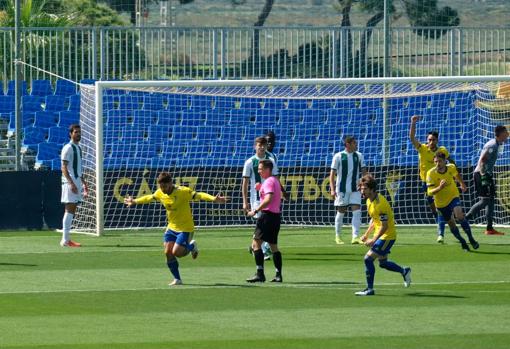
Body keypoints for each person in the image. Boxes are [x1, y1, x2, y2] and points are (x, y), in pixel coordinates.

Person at [124, 172, 228, 286]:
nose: (163, 189)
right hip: (171, 227)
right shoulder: (160, 193)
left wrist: (213, 199)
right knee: (168, 252)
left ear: (170, 183)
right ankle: (177, 279)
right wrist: (134, 201)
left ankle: (192, 246)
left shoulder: (182, 191)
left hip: (185, 228)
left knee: (177, 252)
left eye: (165, 186)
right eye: (161, 187)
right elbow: (150, 197)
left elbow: (199, 195)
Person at [356, 174, 411, 296]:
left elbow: (384, 226)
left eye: (364, 188)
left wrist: (373, 240)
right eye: (360, 188)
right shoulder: (368, 201)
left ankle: (370, 289)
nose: (361, 191)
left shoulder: (381, 203)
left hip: (387, 236)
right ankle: (404, 271)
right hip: (380, 234)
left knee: (368, 259)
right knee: (383, 263)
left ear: (371, 189)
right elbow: (374, 220)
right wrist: (366, 234)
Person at [409, 115, 456, 243]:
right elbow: (412, 138)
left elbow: (450, 162)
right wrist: (413, 123)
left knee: (439, 206)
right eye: (429, 139)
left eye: (433, 140)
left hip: (441, 182)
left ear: (437, 140)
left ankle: (440, 234)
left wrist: (453, 173)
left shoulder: (442, 151)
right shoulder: (422, 149)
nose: (431, 142)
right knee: (434, 209)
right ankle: (443, 222)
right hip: (427, 183)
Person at [426, 152, 479, 251]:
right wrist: (440, 187)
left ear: (445, 161)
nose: (438, 164)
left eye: (440, 161)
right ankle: (463, 242)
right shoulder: (431, 173)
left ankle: (471, 239)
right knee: (451, 224)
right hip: (441, 203)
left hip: (453, 197)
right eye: (436, 162)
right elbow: (430, 192)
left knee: (460, 216)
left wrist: (462, 184)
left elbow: (456, 175)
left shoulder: (451, 167)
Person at [465, 125, 509, 235]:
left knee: (491, 200)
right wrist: (484, 175)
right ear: (501, 134)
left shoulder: (498, 143)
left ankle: (489, 228)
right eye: (506, 132)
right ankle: (464, 219)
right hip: (481, 174)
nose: (507, 134)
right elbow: (482, 161)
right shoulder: (493, 145)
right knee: (485, 200)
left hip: (486, 174)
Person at [246, 159, 283, 283]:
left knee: (255, 244)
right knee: (273, 247)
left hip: (266, 216)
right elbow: (272, 193)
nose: (259, 171)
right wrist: (261, 187)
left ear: (268, 170)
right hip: (275, 217)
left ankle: (260, 273)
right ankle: (278, 275)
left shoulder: (268, 182)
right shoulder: (274, 181)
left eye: (261, 169)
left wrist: (255, 210)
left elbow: (268, 199)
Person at [242, 136, 279, 260]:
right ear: (255, 146)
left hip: (270, 196)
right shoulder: (250, 162)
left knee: (266, 223)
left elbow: (276, 179)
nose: (262, 147)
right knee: (262, 222)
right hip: (256, 198)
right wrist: (245, 201)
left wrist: (281, 193)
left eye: (264, 145)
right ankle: (261, 249)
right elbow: (245, 183)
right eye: (259, 145)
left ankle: (257, 247)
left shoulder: (271, 160)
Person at [329, 135, 366, 245]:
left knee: (357, 212)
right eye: (354, 143)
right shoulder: (338, 156)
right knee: (341, 213)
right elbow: (332, 175)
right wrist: (332, 189)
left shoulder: (359, 156)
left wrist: (365, 184)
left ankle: (355, 237)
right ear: (348, 144)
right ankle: (338, 236)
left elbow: (364, 172)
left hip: (355, 189)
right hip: (342, 190)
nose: (356, 145)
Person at [60, 124, 88, 247]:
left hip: (76, 182)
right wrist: (71, 183)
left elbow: (78, 168)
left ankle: (66, 239)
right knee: (69, 209)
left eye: (79, 132)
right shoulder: (68, 148)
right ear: (70, 133)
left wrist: (84, 183)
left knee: (72, 209)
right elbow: (63, 167)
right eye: (76, 132)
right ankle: (65, 240)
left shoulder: (78, 148)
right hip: (69, 182)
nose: (78, 134)